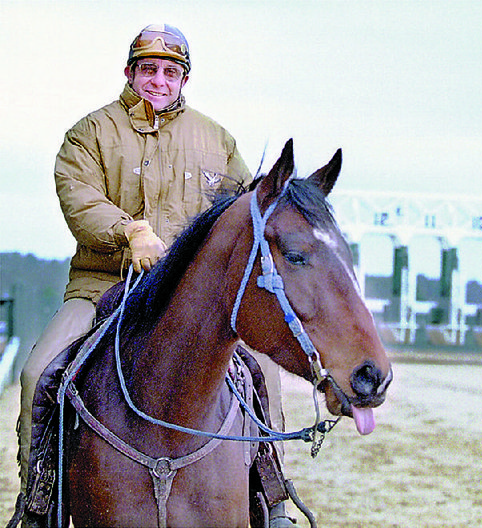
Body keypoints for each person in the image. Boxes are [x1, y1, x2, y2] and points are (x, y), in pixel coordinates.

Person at [14, 24, 295, 527]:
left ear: (184, 79)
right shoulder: (89, 133)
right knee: (39, 374)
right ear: (129, 73)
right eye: (149, 69)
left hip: (190, 299)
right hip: (103, 287)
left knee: (260, 371)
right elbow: (79, 202)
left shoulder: (217, 139)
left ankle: (272, 503)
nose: (159, 80)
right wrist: (129, 231)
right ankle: (39, 505)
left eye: (170, 71)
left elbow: (239, 214)